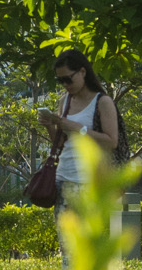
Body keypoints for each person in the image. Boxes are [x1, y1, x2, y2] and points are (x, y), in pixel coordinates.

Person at [36, 49, 119, 252]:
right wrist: (50, 125)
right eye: (60, 81)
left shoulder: (102, 102)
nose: (65, 85)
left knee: (88, 249)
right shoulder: (64, 101)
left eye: (68, 79)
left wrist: (76, 127)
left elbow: (111, 141)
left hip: (90, 183)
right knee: (67, 248)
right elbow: (60, 143)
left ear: (82, 72)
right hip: (63, 180)